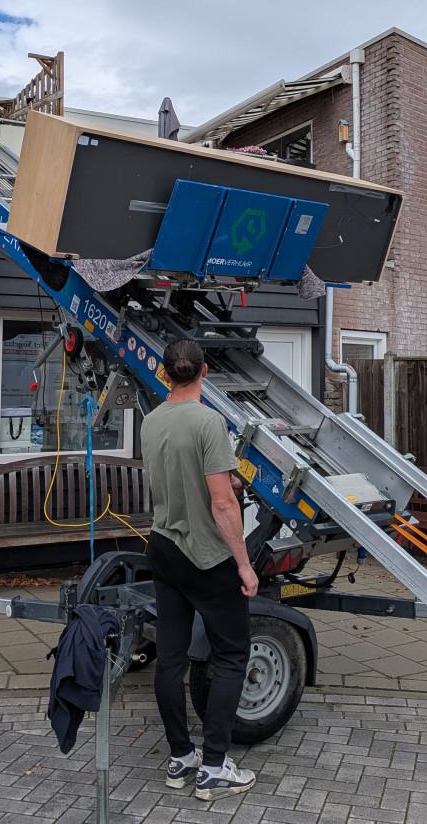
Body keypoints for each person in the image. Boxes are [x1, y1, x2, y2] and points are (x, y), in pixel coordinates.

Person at [141, 337, 258, 801]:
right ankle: (213, 767)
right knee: (231, 655)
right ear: (205, 371)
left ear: (165, 373)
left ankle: (180, 756)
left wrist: (220, 478)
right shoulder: (210, 422)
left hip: (163, 547)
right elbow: (222, 503)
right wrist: (244, 565)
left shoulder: (151, 420)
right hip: (207, 557)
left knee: (170, 658)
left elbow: (177, 474)